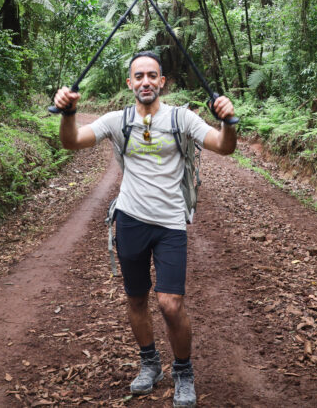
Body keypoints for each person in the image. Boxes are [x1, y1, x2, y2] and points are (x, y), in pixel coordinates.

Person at [53, 51, 236, 408]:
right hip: (130, 219)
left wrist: (228, 122)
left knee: (170, 303)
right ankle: (150, 362)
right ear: (130, 83)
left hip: (170, 223)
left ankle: (183, 371)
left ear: (162, 81)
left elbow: (223, 147)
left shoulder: (182, 118)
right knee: (136, 298)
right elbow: (71, 141)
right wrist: (69, 113)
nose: (146, 82)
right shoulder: (116, 120)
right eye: (139, 76)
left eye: (152, 75)